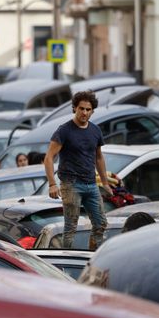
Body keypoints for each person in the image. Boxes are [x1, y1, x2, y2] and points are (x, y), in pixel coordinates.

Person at [44, 90, 113, 251]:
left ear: (92, 111)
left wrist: (105, 182)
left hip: (91, 184)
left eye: (88, 110)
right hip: (71, 184)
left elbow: (99, 157)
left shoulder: (95, 130)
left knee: (101, 224)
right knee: (70, 229)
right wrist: (52, 184)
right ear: (75, 108)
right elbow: (49, 158)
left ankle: (92, 257)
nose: (84, 112)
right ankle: (65, 264)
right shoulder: (64, 130)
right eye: (81, 108)